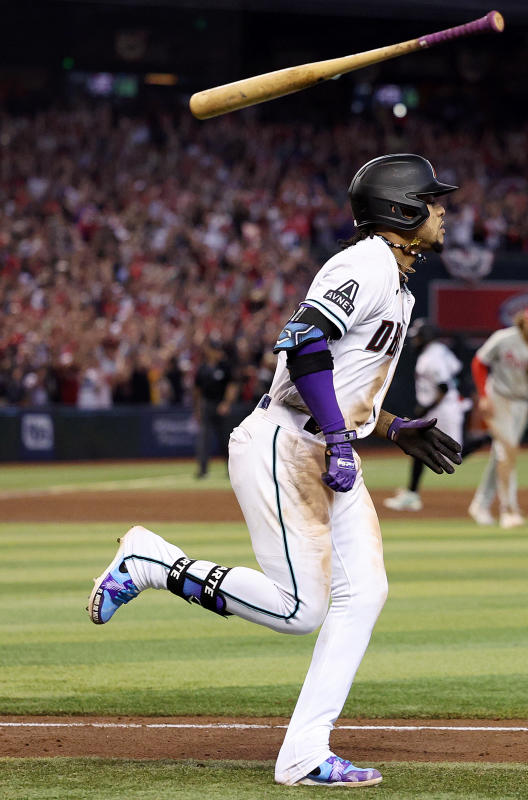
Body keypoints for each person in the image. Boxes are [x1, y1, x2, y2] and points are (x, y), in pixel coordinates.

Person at [87, 154, 463, 787]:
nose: (443, 210)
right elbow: (305, 342)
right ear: (402, 211)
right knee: (301, 610)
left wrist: (391, 426)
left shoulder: (395, 280)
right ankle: (151, 563)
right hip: (284, 447)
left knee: (365, 593)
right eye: (433, 201)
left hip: (323, 447)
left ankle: (304, 753)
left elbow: (337, 376)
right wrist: (342, 439)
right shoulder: (364, 263)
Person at [467, 302, 528, 529]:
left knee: (502, 454)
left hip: (522, 403)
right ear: (525, 321)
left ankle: (480, 504)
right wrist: (483, 396)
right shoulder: (504, 338)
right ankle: (509, 511)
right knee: (508, 451)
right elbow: (479, 362)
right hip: (498, 397)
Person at [383, 319, 488, 512]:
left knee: (452, 454)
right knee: (418, 445)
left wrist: (427, 407)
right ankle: (412, 493)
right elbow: (455, 370)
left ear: (427, 337)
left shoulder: (432, 357)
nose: (415, 341)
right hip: (444, 406)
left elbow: (443, 386)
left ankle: (487, 439)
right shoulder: (439, 350)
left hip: (443, 409)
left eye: (419, 337)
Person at [192, 336, 239, 479]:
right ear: (209, 351)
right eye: (215, 349)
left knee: (225, 439)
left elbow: (232, 386)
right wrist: (198, 409)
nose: (218, 352)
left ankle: (231, 470)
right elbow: (197, 391)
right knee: (204, 440)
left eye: (218, 349)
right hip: (207, 405)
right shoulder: (203, 368)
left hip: (220, 405)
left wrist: (226, 403)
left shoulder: (225, 366)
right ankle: (203, 470)